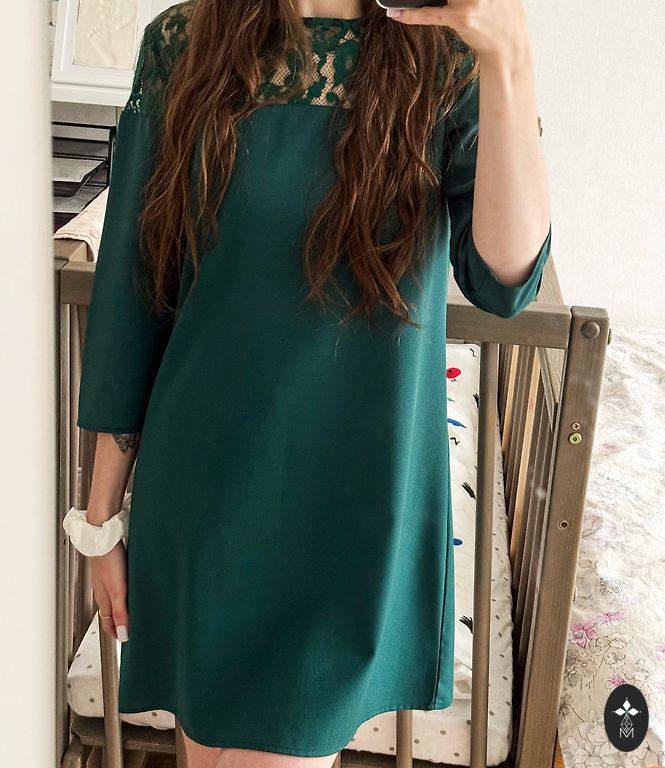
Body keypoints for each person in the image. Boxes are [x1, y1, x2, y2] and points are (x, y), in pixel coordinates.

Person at [63, 0, 552, 766]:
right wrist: (99, 521)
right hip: (205, 505)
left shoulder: (449, 57)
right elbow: (135, 294)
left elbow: (505, 278)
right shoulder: (183, 43)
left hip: (354, 513)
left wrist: (509, 57)